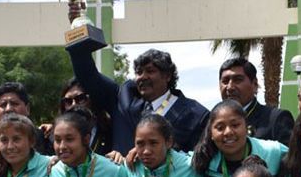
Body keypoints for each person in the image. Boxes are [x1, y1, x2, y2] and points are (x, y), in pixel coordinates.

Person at [69, 43, 209, 154]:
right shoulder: (123, 98)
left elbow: (199, 158)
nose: (142, 77)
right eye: (139, 72)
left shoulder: (195, 114)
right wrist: (78, 29)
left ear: (167, 76)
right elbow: (87, 75)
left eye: (150, 71)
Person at [191, 100, 287, 177]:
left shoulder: (272, 152)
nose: (228, 132)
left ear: (246, 127)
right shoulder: (205, 160)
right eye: (220, 128)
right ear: (211, 133)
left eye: (235, 125)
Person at [219, 57, 294, 144]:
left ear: (254, 84)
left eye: (237, 80)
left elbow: (291, 156)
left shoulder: (276, 119)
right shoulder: (213, 123)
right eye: (225, 81)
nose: (230, 87)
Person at [0, 82, 51, 156]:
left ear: (27, 109)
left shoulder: (42, 136)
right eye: (3, 105)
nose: (8, 109)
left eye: (14, 104)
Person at [40, 78, 113, 156]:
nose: (74, 104)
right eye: (68, 101)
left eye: (80, 98)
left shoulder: (110, 131)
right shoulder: (50, 135)